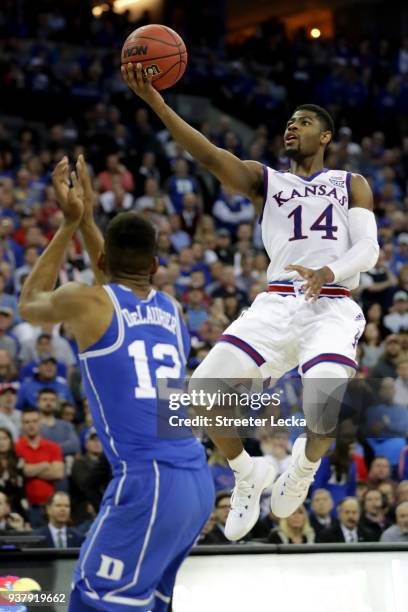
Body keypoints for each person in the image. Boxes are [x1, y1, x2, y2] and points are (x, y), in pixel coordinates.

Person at [122, 65, 379, 540]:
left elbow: (369, 250)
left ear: (325, 135)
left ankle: (301, 467)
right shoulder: (268, 181)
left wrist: (329, 271)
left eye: (303, 121)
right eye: (289, 122)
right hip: (276, 303)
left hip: (332, 303)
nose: (292, 126)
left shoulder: (351, 182)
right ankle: (247, 472)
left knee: (321, 414)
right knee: (198, 394)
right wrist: (157, 103)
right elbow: (207, 154)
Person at [18, 155, 214, 611]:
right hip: (196, 484)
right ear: (157, 263)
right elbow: (114, 281)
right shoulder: (172, 309)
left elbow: (29, 304)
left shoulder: (88, 303)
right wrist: (87, 219)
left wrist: (68, 225)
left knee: (93, 600)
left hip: (150, 480)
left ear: (101, 259)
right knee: (146, 603)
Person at [15, 408, 64, 527]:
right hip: (24, 506)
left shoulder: (53, 447)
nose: (31, 425)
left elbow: (58, 473)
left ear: (40, 422)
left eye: (34, 421)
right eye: (27, 422)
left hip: (49, 506)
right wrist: (45, 465)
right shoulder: (15, 447)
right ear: (22, 424)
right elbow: (21, 472)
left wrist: (29, 469)